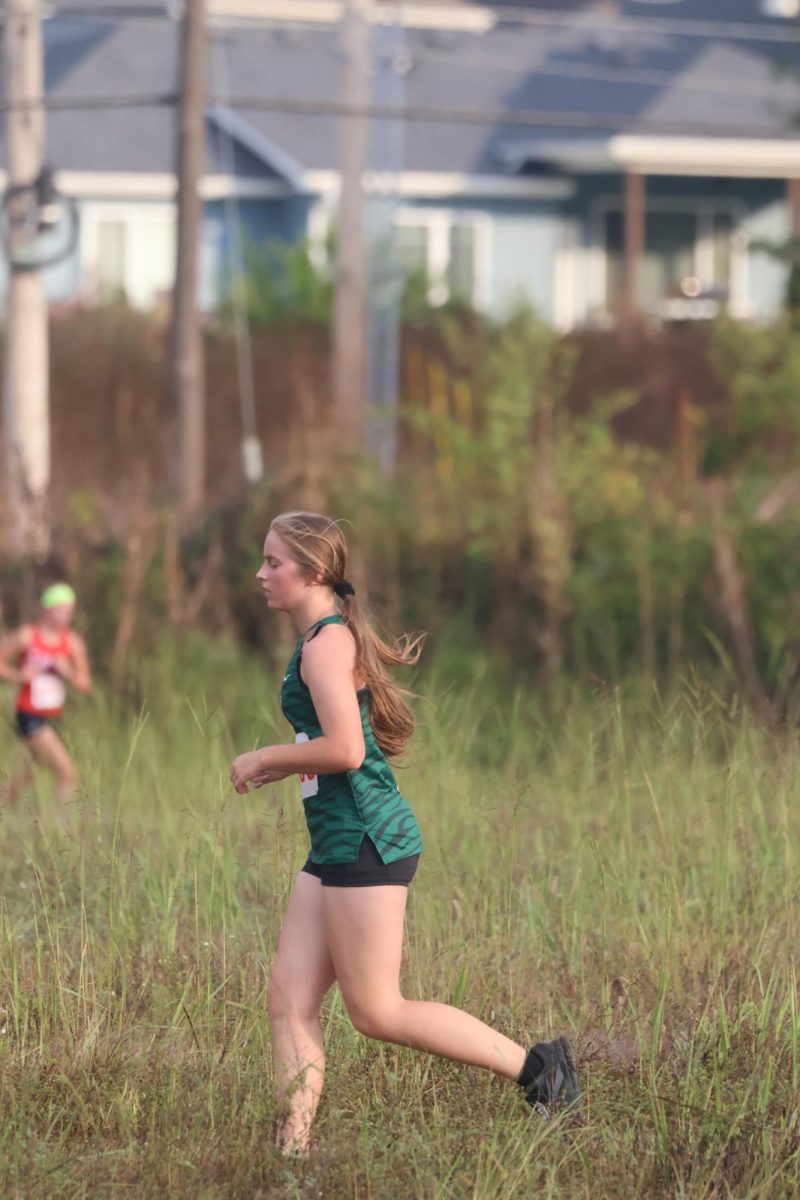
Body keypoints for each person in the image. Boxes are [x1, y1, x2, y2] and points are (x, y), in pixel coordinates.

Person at [229, 512, 580, 1156]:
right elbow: (331, 747)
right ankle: (292, 1154)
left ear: (312, 573)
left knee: (377, 1012)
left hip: (367, 840)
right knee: (288, 999)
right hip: (335, 842)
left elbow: (346, 749)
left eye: (273, 562)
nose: (261, 573)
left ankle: (542, 1071)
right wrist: (295, 764)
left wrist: (267, 758)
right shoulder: (317, 638)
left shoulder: (326, 644)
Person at [0, 582, 91, 814]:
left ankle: (6, 805)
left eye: (69, 611)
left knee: (30, 771)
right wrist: (19, 675)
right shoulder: (27, 636)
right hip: (28, 712)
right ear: (46, 609)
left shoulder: (72, 643)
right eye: (59, 609)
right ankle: (65, 828)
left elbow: (84, 683)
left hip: (53, 715)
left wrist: (68, 672)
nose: (64, 616)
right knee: (67, 771)